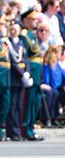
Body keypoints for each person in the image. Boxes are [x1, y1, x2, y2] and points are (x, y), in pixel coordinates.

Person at [19, 8, 45, 140]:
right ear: (25, 20)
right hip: (31, 73)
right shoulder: (24, 35)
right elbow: (24, 56)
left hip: (37, 74)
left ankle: (30, 127)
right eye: (32, 19)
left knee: (35, 102)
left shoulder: (31, 35)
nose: (35, 22)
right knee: (27, 102)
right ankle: (25, 129)